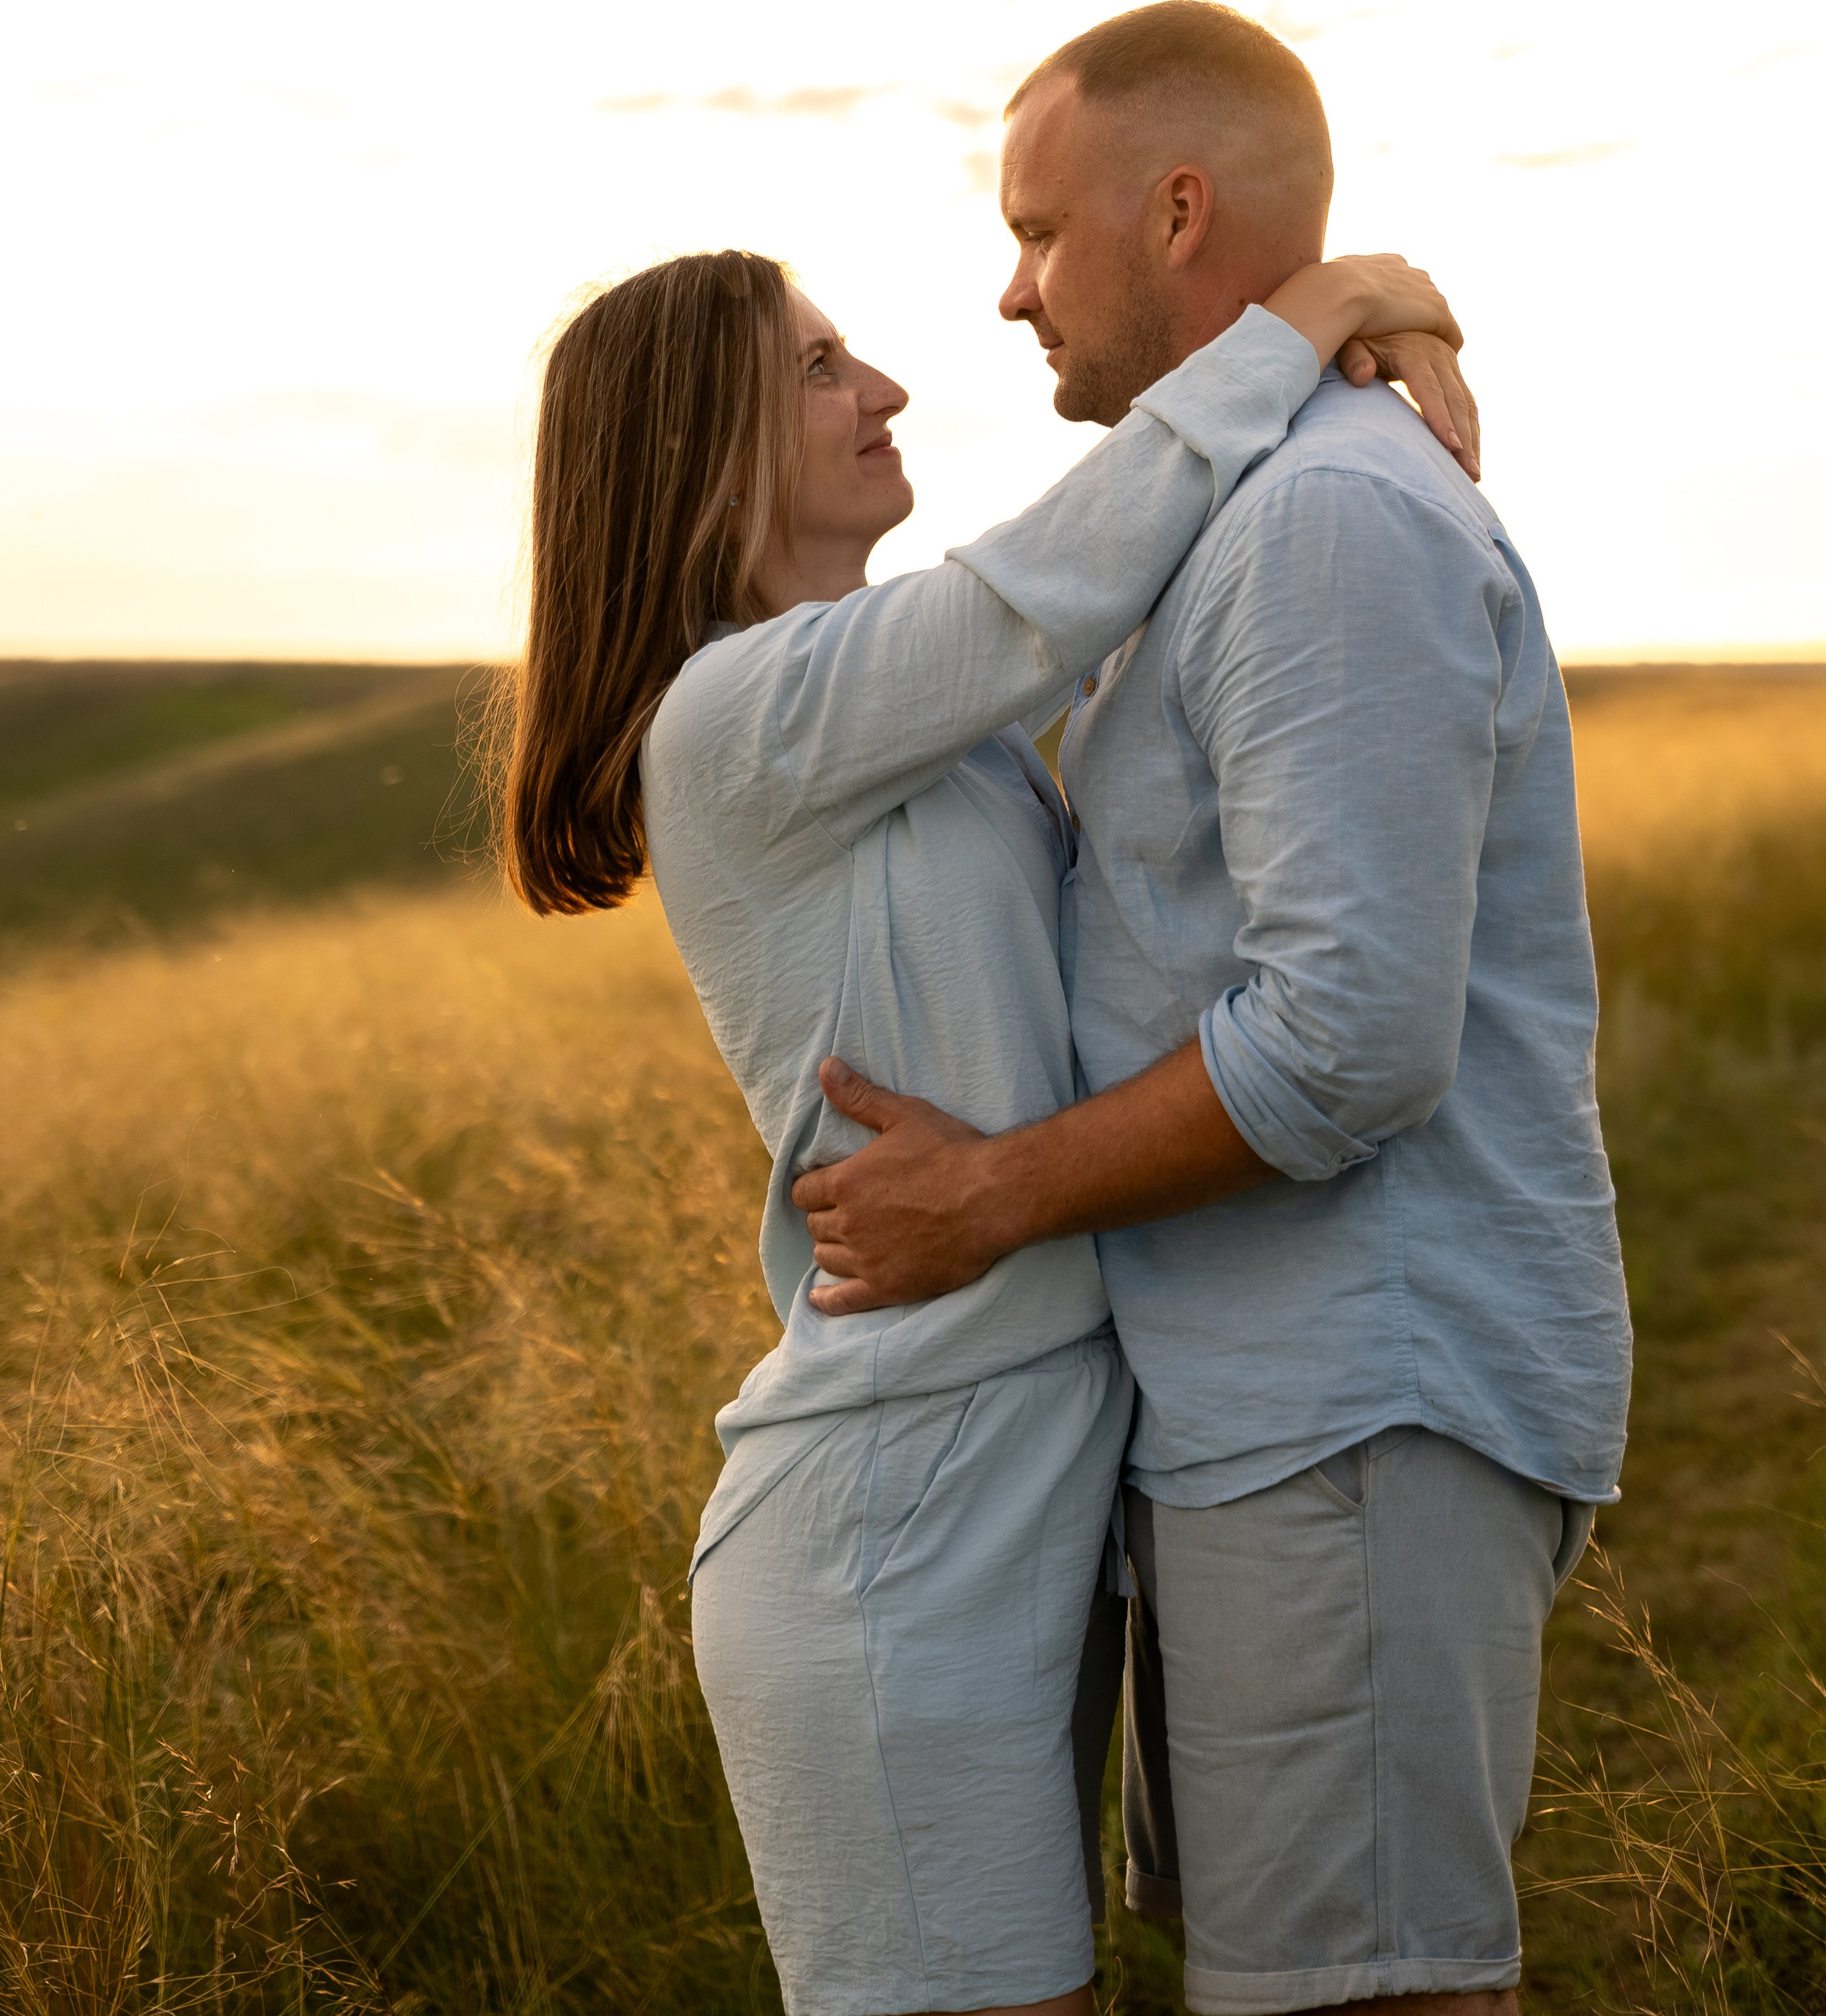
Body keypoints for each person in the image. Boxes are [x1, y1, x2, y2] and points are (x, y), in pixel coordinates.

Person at [498, 232, 1474, 2016]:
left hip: (1024, 1493)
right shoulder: (736, 714)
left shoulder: (911, 726)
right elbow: (1055, 580)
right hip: (892, 1525)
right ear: (690, 444)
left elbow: (1126, 601)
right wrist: (1331, 304)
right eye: (815, 366)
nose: (879, 390)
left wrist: (1351, 346)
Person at [790, 0, 1633, 2016]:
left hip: (1357, 1398)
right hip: (1275, 1404)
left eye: (1036, 230)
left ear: (1178, 213)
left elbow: (1349, 1034)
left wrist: (991, 1192)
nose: (1008, 292)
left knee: (1367, 1997)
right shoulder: (1233, 506)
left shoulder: (1322, 520)